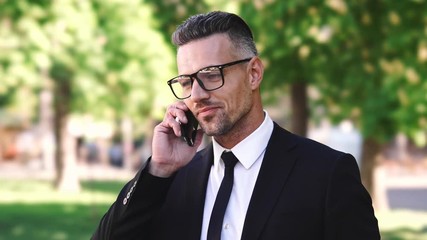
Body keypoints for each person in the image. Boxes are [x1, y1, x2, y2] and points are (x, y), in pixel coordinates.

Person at [92, 11, 380, 240]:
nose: (197, 94)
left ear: (253, 73)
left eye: (210, 74)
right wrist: (158, 169)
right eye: (187, 81)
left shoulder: (326, 174)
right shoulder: (172, 178)